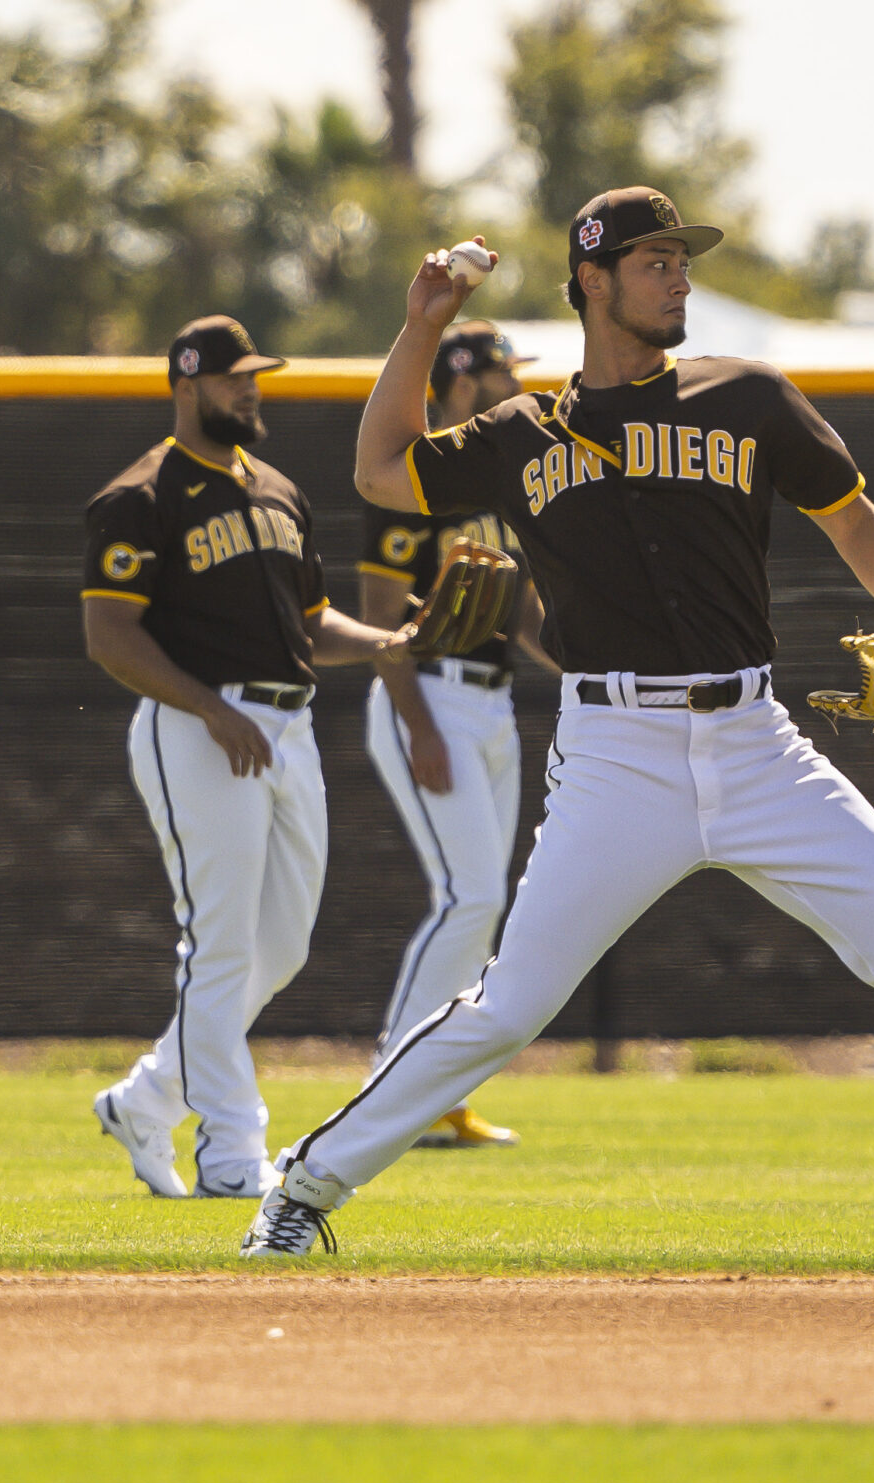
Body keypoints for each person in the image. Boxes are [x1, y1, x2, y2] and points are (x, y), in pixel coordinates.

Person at [240, 189, 874, 1258]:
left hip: (758, 746)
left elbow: (851, 515)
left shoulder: (747, 396)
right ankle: (303, 1185)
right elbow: (378, 471)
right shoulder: (524, 431)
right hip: (616, 757)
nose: (679, 277)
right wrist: (422, 320)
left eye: (679, 259)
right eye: (654, 260)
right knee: (509, 1007)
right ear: (591, 282)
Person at [82, 316, 419, 1199]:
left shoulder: (277, 490)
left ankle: (148, 1097)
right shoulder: (141, 497)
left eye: (256, 376)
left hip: (286, 726)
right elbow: (109, 635)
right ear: (186, 383)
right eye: (235, 378)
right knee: (222, 943)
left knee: (283, 945)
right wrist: (207, 708)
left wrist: (388, 641)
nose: (251, 390)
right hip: (196, 729)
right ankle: (233, 1153)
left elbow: (313, 625)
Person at [356, 321, 555, 1151]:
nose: (517, 386)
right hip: (427, 693)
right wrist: (418, 723)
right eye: (506, 372)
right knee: (469, 896)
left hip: (493, 698)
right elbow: (376, 624)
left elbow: (533, 620)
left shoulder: (509, 483)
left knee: (484, 903)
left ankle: (438, 1096)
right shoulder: (415, 480)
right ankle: (392, 1089)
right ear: (465, 377)